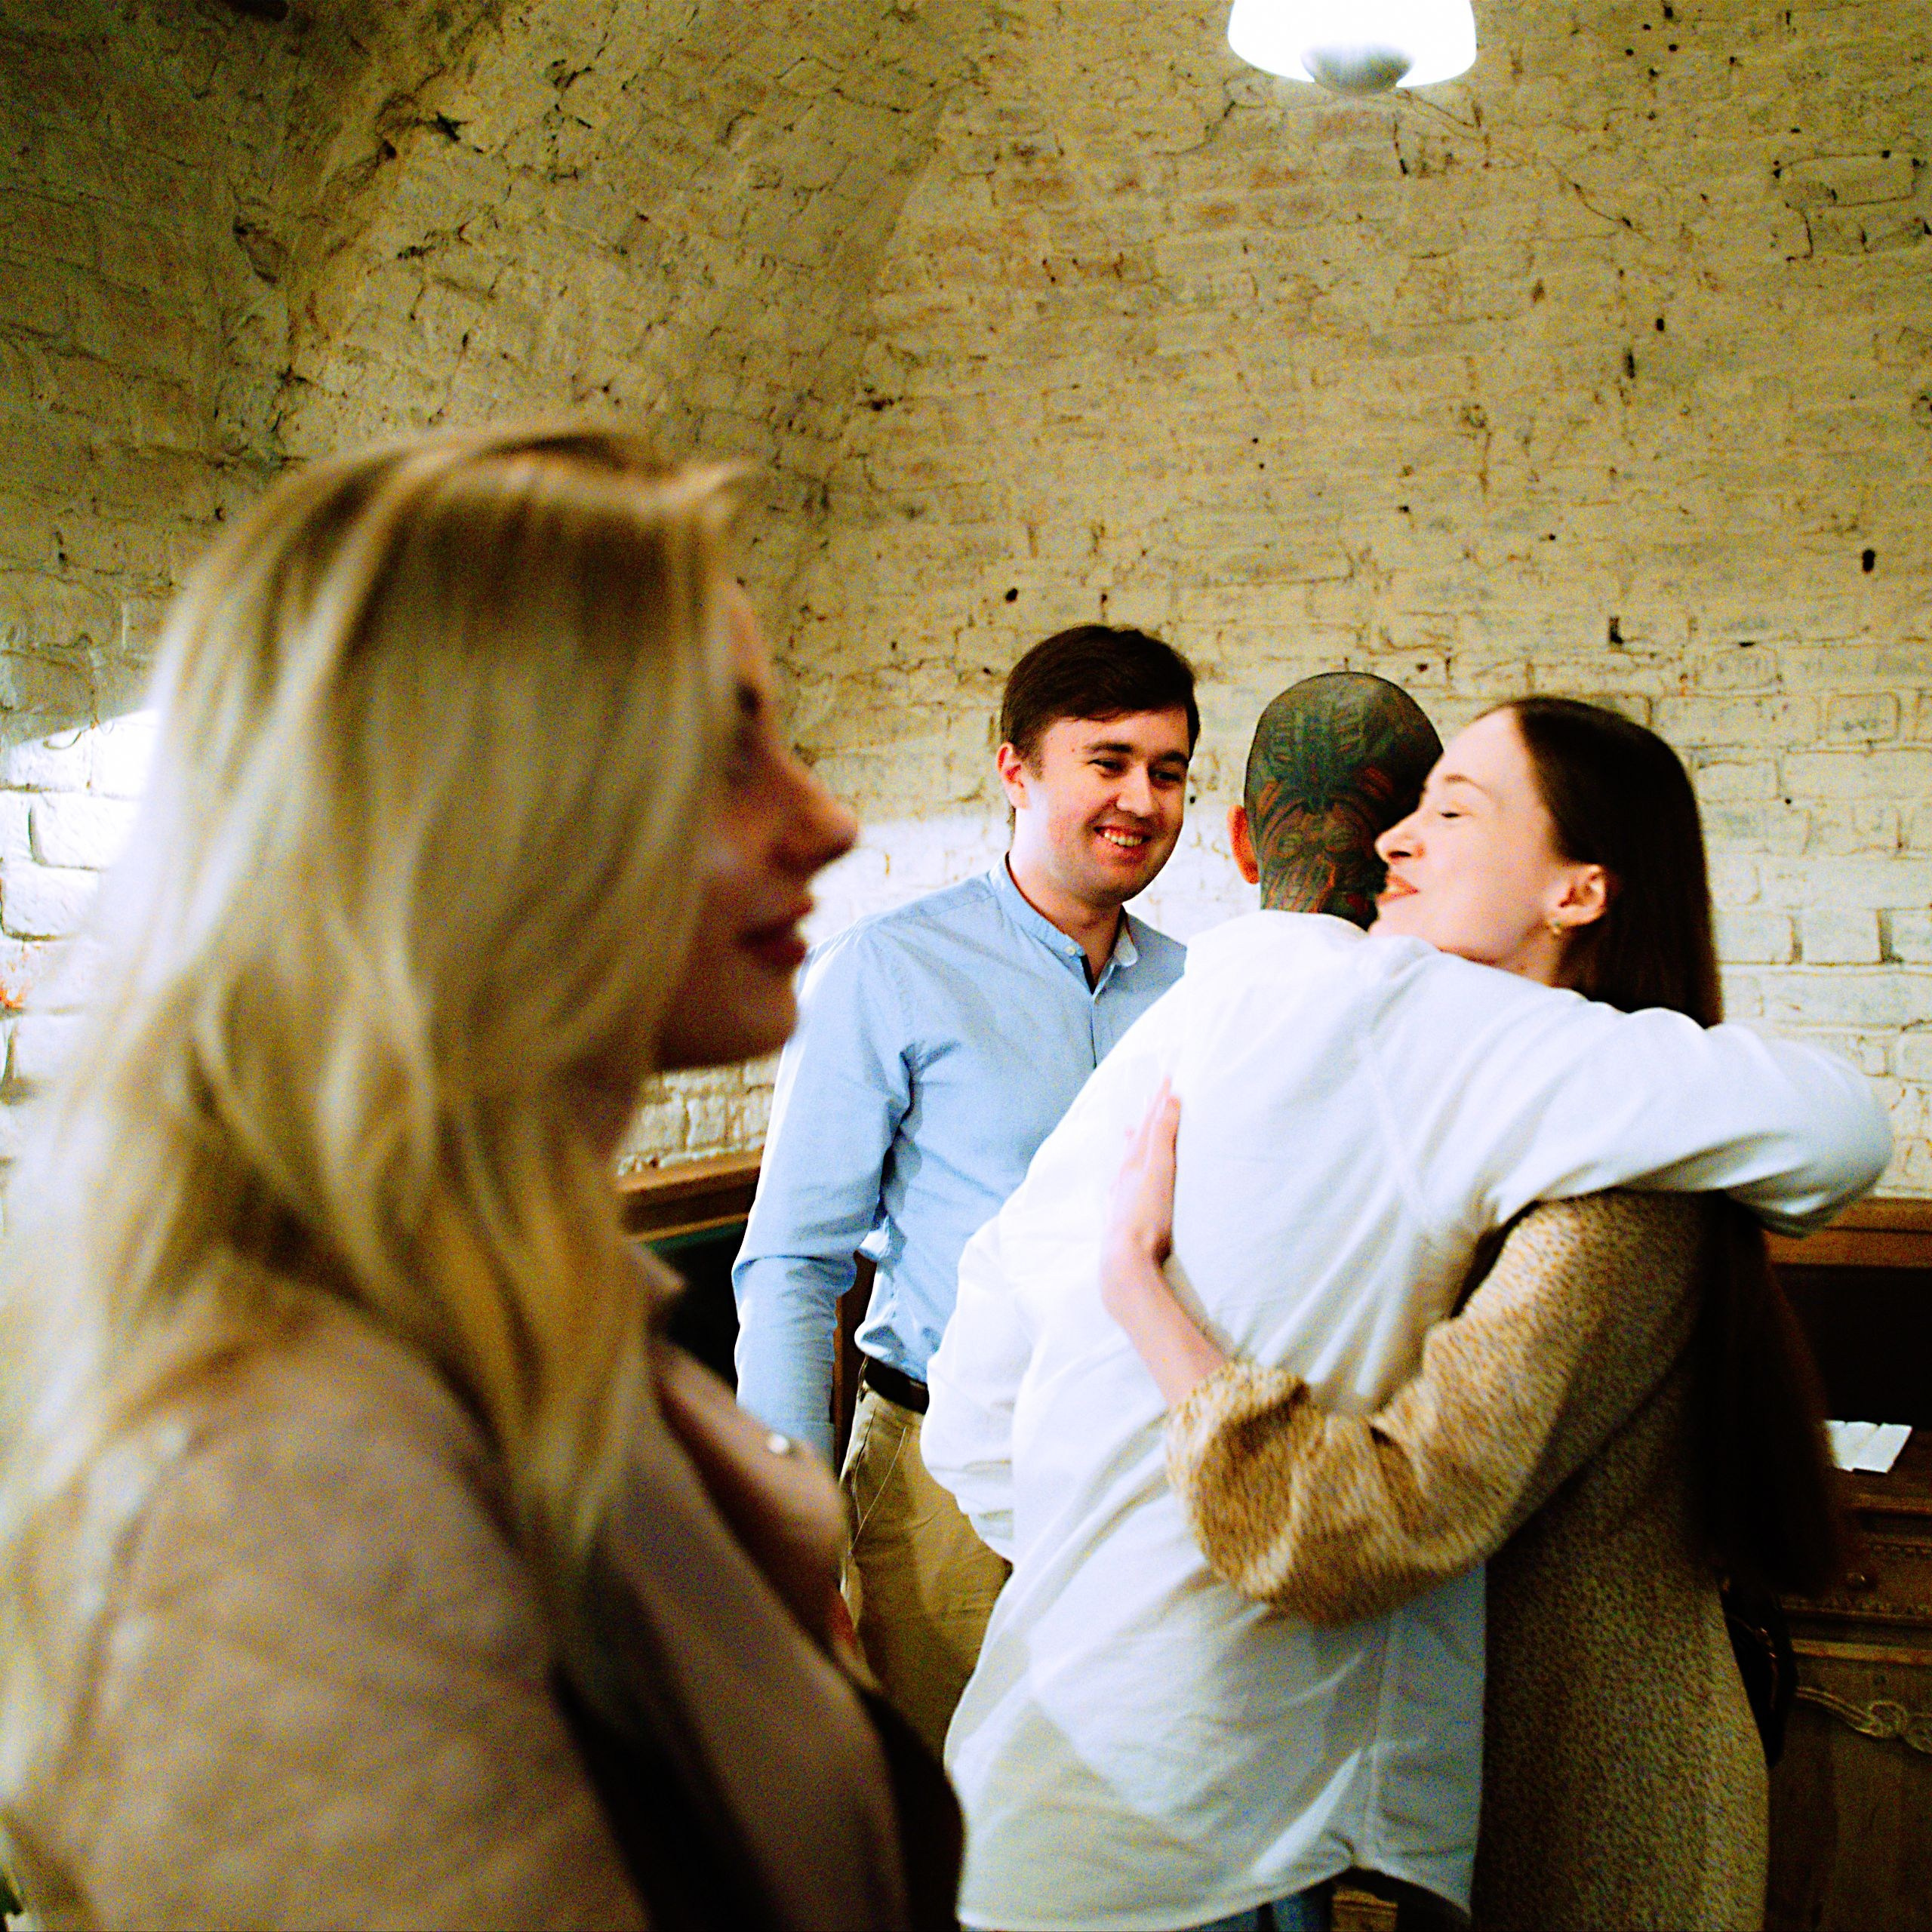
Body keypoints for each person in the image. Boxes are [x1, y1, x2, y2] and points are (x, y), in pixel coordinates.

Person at [0, 426, 960, 1931]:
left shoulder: (514, 1306)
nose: (826, 818)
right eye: (719, 751)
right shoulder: (272, 1481)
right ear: (475, 805)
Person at [921, 681, 1891, 1932]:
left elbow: (1369, 1526)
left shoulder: (1610, 1179)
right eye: (1411, 804)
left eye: (1456, 809)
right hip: (1451, 1782)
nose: (1396, 842)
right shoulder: (1444, 1086)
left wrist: (1142, 1307)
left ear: (1578, 890)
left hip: (1598, 1790)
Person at [733, 623, 1198, 1754]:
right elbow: (793, 1266)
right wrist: (794, 1541)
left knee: (1116, 1843)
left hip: (1140, 1480)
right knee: (947, 1842)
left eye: (1170, 770)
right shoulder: (888, 970)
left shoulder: (1197, 992)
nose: (1142, 797)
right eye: (1108, 761)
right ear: (1015, 770)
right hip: (935, 1483)